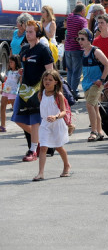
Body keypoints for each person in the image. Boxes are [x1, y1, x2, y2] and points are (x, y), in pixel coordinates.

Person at [12, 20, 54, 162]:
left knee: (35, 120)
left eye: (31, 32)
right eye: (27, 31)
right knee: (16, 117)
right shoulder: (24, 49)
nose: (28, 34)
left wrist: (48, 89)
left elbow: (50, 71)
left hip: (38, 89)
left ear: (38, 33)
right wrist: (22, 71)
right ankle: (42, 140)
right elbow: (26, 66)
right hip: (24, 89)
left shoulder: (43, 49)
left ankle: (33, 150)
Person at [32, 70, 71, 181]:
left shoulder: (58, 95)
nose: (47, 82)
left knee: (59, 147)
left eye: (50, 79)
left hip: (57, 123)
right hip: (45, 124)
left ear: (56, 82)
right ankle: (40, 173)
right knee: (43, 147)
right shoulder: (41, 94)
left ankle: (66, 165)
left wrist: (56, 116)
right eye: (45, 79)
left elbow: (64, 111)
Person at [78, 29, 108, 142]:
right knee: (95, 107)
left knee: (89, 105)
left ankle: (93, 131)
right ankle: (100, 131)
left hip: (96, 84)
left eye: (83, 39)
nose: (80, 41)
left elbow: (107, 65)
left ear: (89, 40)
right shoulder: (84, 53)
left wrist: (102, 80)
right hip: (86, 83)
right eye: (79, 39)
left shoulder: (95, 51)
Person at [64, 4, 88, 97]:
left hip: (68, 48)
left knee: (70, 71)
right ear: (82, 11)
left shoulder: (70, 18)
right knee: (77, 72)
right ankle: (73, 92)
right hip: (77, 48)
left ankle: (68, 91)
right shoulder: (82, 20)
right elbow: (85, 32)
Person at [1, 55, 21, 132]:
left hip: (13, 92)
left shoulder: (19, 72)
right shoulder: (8, 71)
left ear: (16, 62)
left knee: (15, 109)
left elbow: (21, 81)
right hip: (6, 91)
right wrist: (2, 89)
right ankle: (3, 126)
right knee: (2, 107)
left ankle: (26, 125)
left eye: (11, 62)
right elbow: (6, 80)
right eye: (9, 62)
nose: (10, 64)